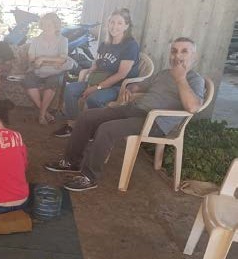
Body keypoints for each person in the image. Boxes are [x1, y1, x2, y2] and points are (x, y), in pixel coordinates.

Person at [44, 37, 205, 192]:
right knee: (87, 116)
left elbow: (193, 107)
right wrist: (131, 89)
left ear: (194, 56)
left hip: (156, 122)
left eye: (184, 51)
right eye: (174, 51)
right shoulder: (164, 73)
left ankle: (89, 177)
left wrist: (181, 79)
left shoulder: (195, 80)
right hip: (135, 110)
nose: (177, 56)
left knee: (107, 129)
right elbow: (142, 86)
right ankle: (71, 162)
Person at [54, 8, 140, 137]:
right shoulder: (105, 43)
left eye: (119, 23)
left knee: (94, 98)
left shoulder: (130, 45)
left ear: (126, 26)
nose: (114, 26)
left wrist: (96, 87)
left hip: (118, 86)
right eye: (112, 22)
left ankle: (94, 130)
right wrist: (89, 74)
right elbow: (96, 63)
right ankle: (73, 125)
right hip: (99, 80)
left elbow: (121, 74)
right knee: (70, 89)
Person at [23, 13, 69, 125]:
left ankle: (42, 115)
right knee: (28, 80)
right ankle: (46, 113)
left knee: (52, 82)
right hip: (37, 70)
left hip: (55, 72)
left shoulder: (63, 40)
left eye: (50, 24)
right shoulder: (35, 40)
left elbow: (62, 59)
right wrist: (52, 61)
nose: (46, 27)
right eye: (44, 24)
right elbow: (32, 59)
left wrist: (42, 59)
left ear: (56, 25)